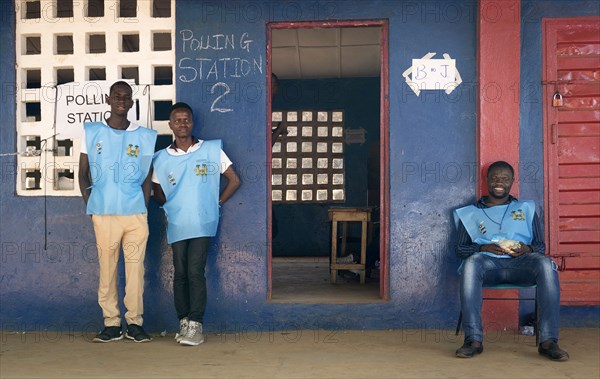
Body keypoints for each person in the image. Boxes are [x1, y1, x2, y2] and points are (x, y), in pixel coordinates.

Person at [454, 161, 569, 361]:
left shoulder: (526, 208)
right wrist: (482, 248)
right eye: (495, 178)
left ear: (512, 182)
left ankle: (548, 341)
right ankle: (473, 340)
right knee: (472, 263)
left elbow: (540, 246)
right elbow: (460, 249)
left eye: (505, 178)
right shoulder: (469, 212)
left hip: (521, 264)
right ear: (487, 180)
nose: (500, 182)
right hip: (487, 265)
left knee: (546, 263)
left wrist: (528, 249)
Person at [152, 102, 240, 346]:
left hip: (203, 221)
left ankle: (196, 325)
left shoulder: (211, 150)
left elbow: (234, 180)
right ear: (170, 125)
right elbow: (156, 191)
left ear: (193, 123)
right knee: (180, 273)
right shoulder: (161, 158)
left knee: (194, 271)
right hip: (178, 222)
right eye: (177, 120)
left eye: (186, 119)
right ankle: (183, 320)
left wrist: (217, 202)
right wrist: (170, 206)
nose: (182, 124)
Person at [78, 80, 157, 343]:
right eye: (117, 95)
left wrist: (143, 206)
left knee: (136, 270)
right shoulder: (91, 132)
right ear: (109, 100)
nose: (121, 100)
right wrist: (91, 204)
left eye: (126, 97)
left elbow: (147, 177)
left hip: (134, 215)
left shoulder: (144, 136)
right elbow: (82, 173)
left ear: (132, 102)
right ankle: (111, 324)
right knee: (107, 269)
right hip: (104, 213)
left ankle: (135, 323)